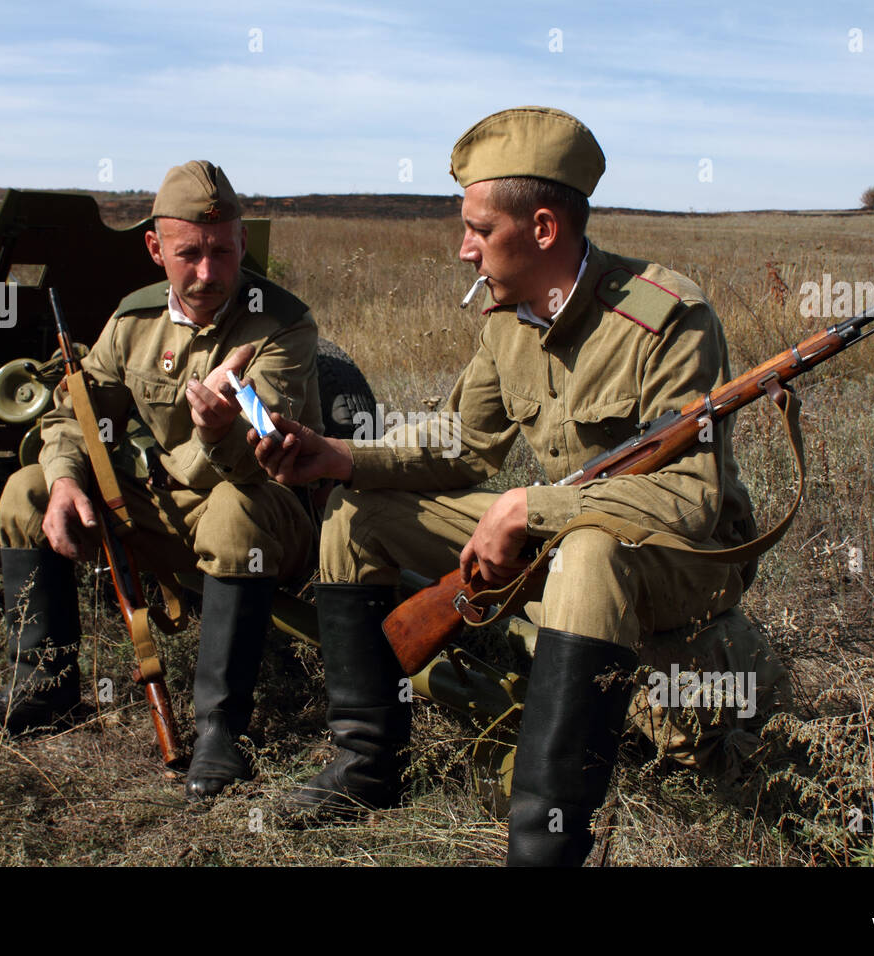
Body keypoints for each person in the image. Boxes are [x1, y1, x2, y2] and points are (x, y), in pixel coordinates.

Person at [250, 107, 785, 865]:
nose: (463, 249)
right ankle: (365, 763)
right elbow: (464, 444)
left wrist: (531, 510)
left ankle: (541, 847)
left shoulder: (668, 317)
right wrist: (335, 456)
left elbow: (690, 501)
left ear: (541, 229)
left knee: (589, 554)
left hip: (683, 563)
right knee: (357, 513)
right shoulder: (508, 319)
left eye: (478, 229)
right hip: (568, 531)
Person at [0, 160, 323, 806]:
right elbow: (73, 413)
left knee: (233, 511)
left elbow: (259, 452)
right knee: (26, 491)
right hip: (162, 510)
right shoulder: (132, 323)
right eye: (190, 254)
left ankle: (222, 732)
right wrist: (68, 477)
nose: (210, 272)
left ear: (245, 242)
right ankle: (45, 687)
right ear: (156, 249)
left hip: (265, 514)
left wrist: (217, 430)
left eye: (223, 251)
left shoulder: (283, 326)